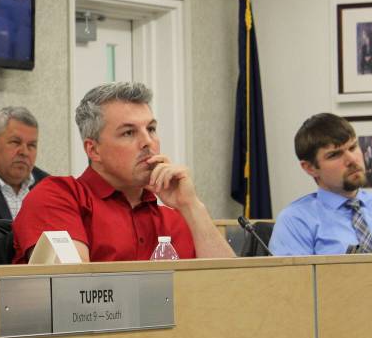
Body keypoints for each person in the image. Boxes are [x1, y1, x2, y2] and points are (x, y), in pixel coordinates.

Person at [12, 82, 234, 263]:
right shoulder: (59, 196)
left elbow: (232, 290)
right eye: (129, 132)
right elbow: (74, 294)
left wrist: (191, 205)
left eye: (151, 129)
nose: (148, 142)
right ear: (94, 149)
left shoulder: (173, 218)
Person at [270, 113, 372, 255]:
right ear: (310, 168)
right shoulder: (297, 220)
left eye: (353, 147)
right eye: (334, 155)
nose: (352, 160)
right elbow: (292, 287)